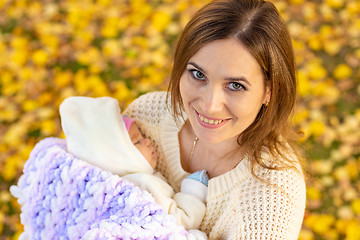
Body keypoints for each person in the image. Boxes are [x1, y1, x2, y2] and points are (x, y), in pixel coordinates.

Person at [123, 0, 306, 239]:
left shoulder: (273, 197)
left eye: (235, 85)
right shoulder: (146, 116)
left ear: (269, 91)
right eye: (198, 74)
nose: (209, 105)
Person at [59, 96, 209, 236]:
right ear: (118, 158)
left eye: (142, 136)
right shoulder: (144, 183)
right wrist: (193, 190)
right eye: (138, 141)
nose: (148, 141)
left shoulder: (104, 188)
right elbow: (181, 221)